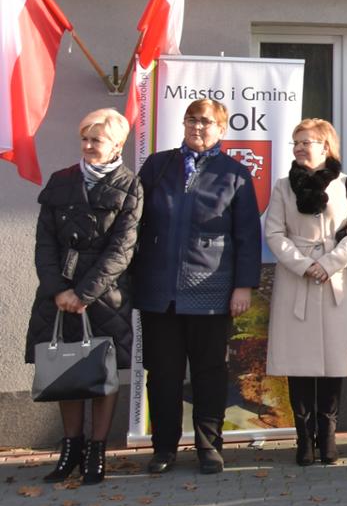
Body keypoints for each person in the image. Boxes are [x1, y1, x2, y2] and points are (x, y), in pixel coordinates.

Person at [129, 98, 261, 476]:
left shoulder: (235, 173)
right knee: (163, 374)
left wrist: (243, 286)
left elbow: (248, 236)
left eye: (205, 121)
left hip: (211, 292)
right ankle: (164, 448)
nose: (197, 127)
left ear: (221, 128)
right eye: (191, 119)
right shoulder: (158, 165)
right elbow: (132, 222)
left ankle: (208, 447)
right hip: (159, 292)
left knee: (209, 373)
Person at [28, 109, 142, 485]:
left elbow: (122, 249)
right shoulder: (61, 180)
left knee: (102, 372)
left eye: (97, 140)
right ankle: (71, 449)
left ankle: (97, 451)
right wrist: (58, 290)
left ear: (117, 145)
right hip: (58, 294)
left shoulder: (130, 185)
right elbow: (45, 243)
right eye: (85, 139)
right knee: (66, 368)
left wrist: (84, 294)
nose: (89, 146)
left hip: (105, 296)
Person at [263, 118, 347, 466]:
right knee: (298, 362)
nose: (298, 148)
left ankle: (327, 436)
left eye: (305, 142)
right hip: (296, 281)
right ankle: (303, 438)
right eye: (295, 142)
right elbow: (274, 232)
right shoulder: (283, 187)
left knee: (333, 362)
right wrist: (302, 264)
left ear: (325, 146)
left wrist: (329, 263)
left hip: (335, 281)